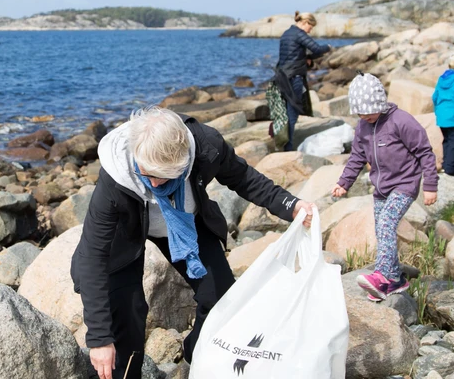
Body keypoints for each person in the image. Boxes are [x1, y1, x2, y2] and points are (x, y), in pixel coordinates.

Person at [71, 106, 317, 379]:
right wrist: (99, 338)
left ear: (183, 162)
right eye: (147, 174)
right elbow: (93, 255)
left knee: (220, 299)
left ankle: (197, 355)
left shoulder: (205, 147)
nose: (154, 184)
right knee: (126, 318)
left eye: (163, 176)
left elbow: (243, 178)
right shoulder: (116, 176)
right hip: (126, 232)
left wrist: (290, 204)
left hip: (183, 221)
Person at [331, 74, 437, 301]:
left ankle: (381, 277)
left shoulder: (401, 121)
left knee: (387, 222)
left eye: (369, 111)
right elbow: (357, 157)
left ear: (380, 103)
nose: (364, 116)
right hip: (381, 188)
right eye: (360, 113)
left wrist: (430, 185)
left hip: (404, 184)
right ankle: (395, 279)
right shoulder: (363, 127)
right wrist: (344, 182)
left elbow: (425, 152)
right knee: (381, 230)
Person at [275, 11, 331, 151]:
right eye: (310, 27)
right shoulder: (299, 34)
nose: (310, 30)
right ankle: (288, 148)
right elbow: (317, 48)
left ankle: (283, 144)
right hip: (295, 77)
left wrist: (307, 58)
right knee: (293, 113)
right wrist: (328, 47)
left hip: (283, 77)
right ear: (305, 22)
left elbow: (293, 54)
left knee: (286, 113)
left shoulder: (286, 33)